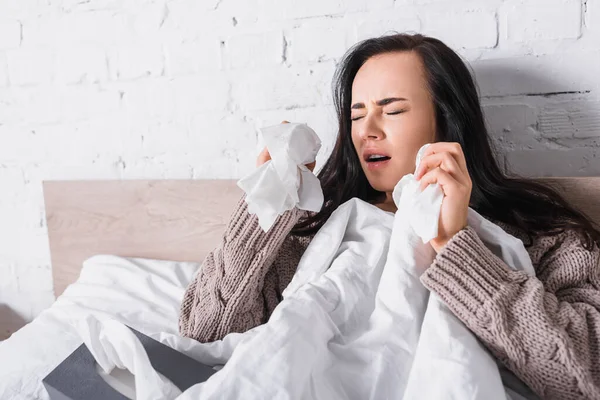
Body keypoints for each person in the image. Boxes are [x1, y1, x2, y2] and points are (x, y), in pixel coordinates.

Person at [179, 33, 600, 399]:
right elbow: (203, 332)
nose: (367, 130)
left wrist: (456, 245)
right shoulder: (317, 236)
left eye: (392, 110)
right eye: (356, 115)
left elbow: (583, 378)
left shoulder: (545, 237)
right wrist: (267, 205)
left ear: (446, 122)